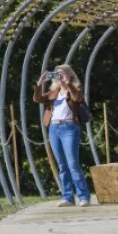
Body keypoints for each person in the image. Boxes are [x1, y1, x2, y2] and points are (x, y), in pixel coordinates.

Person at [33, 64, 92, 207]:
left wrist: (68, 84)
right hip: (54, 128)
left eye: (63, 73)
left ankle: (84, 196)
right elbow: (37, 99)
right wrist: (40, 84)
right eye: (57, 74)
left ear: (70, 75)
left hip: (69, 127)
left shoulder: (75, 88)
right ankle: (68, 197)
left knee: (72, 163)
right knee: (62, 165)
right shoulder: (53, 92)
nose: (60, 76)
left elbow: (77, 98)